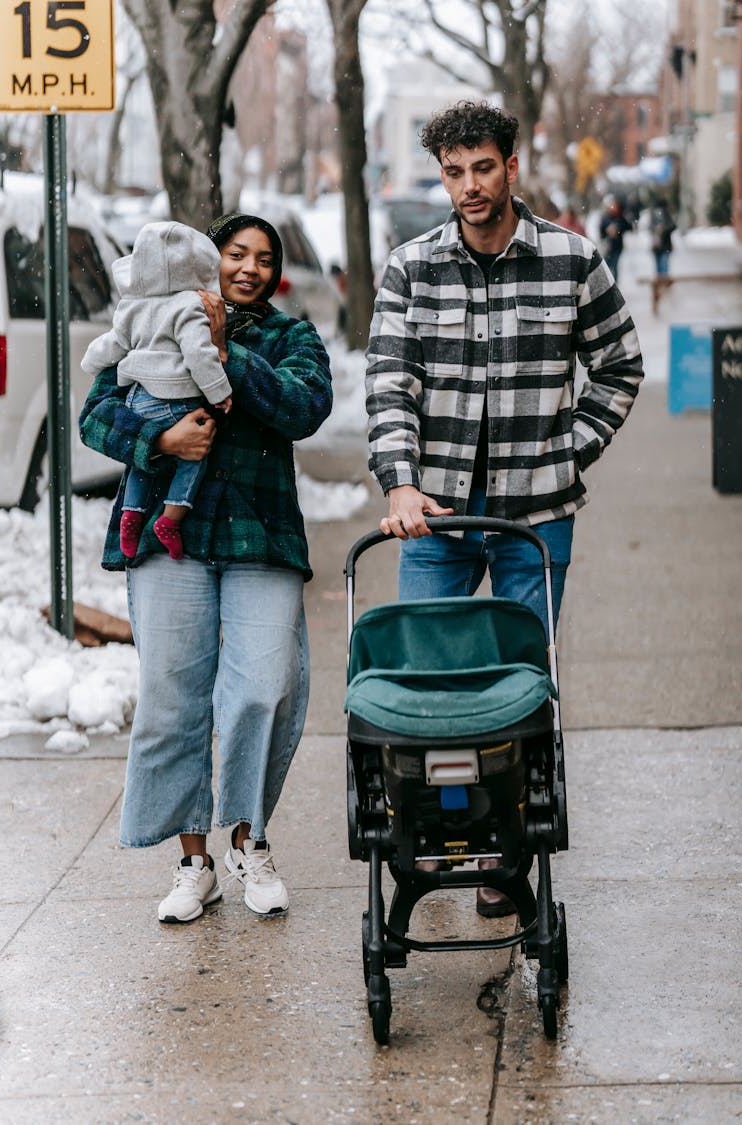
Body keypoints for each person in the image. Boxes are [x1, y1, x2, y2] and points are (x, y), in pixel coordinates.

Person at [366, 99, 643, 917]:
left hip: (536, 511)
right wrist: (400, 480)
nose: (470, 186)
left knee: (522, 684)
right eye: (454, 172)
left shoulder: (570, 258)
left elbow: (619, 366)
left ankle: (507, 848)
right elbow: (389, 380)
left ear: (511, 166)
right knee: (425, 681)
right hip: (437, 513)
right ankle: (426, 837)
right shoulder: (412, 266)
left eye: (483, 168)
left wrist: (571, 447)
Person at [79, 213, 332, 924]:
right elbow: (95, 414)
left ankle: (249, 841)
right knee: (173, 697)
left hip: (261, 537)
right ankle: (195, 862)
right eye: (235, 253)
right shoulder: (152, 316)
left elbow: (305, 406)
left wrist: (226, 352)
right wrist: (160, 436)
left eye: (263, 258)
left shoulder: (289, 336)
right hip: (169, 538)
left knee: (261, 688)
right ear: (208, 258)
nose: (249, 267)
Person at [81, 221, 233, 562]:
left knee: (141, 462)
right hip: (176, 400)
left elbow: (112, 344)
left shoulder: (132, 307)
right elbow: (199, 354)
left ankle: (132, 514)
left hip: (138, 399)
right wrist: (218, 391)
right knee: (195, 456)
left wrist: (90, 362)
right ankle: (171, 519)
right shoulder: (189, 306)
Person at [598, 198, 631, 282]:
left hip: (617, 247)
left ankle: (614, 285)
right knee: (607, 267)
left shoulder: (621, 218)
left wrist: (618, 228)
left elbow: (628, 227)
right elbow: (601, 231)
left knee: (614, 266)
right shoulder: (606, 217)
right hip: (607, 247)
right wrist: (608, 230)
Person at [649, 197, 676, 277]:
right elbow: (650, 227)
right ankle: (661, 284)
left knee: (662, 267)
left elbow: (672, 226)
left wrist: (663, 229)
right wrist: (657, 229)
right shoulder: (655, 215)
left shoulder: (665, 214)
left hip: (663, 246)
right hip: (659, 246)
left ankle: (662, 284)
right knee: (661, 267)